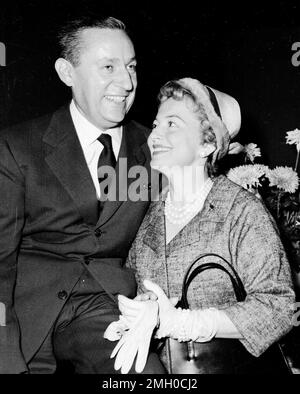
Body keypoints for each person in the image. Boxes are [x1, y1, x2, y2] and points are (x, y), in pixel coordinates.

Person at [0, 16, 164, 374]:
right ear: (67, 72)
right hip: (26, 312)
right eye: (108, 67)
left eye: (131, 66)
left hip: (105, 308)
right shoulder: (17, 147)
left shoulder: (153, 148)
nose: (126, 82)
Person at [106, 77, 295, 374]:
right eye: (156, 125)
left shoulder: (241, 211)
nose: (154, 135)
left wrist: (184, 322)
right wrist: (139, 313)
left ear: (208, 144)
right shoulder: (146, 215)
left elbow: (279, 308)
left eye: (172, 124)